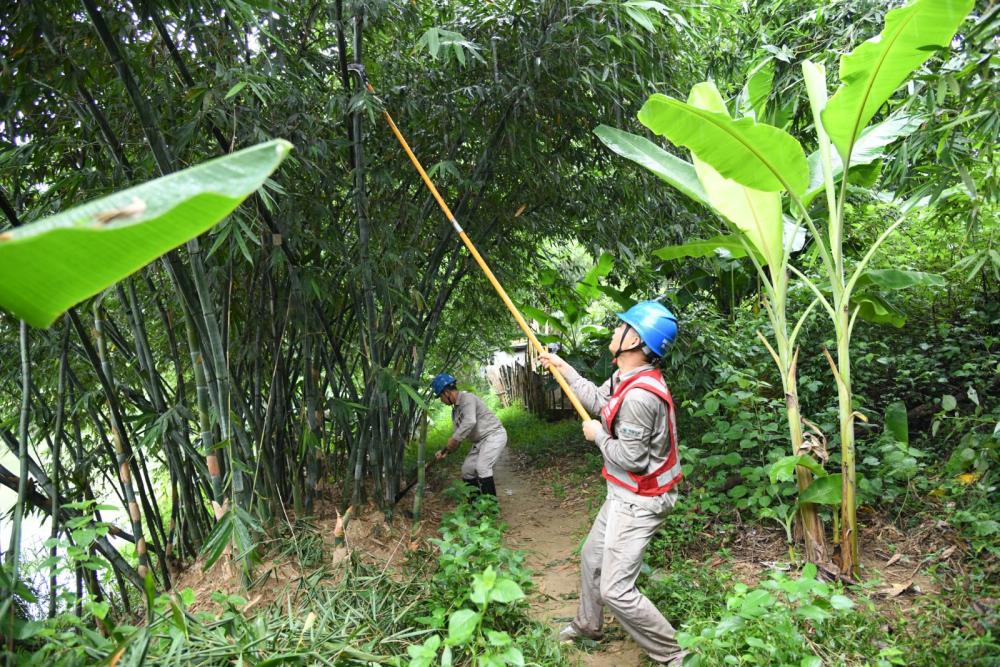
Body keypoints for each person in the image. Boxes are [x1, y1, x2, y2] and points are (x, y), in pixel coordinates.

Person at [539, 300, 686, 666]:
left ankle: (675, 654)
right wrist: (563, 368)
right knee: (592, 557)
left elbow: (633, 460)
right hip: (623, 493)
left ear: (635, 339)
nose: (614, 331)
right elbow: (599, 401)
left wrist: (597, 437)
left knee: (617, 589)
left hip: (643, 498)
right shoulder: (625, 377)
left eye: (621, 326)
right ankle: (589, 625)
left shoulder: (639, 396)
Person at [430, 373, 507, 497]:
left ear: (446, 393)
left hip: (494, 435)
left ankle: (491, 509)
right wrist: (445, 452)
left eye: (440, 397)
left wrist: (454, 438)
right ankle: (475, 506)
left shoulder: (467, 398)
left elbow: (470, 421)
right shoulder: (455, 412)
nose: (441, 401)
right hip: (480, 442)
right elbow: (457, 438)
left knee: (482, 467)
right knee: (467, 470)